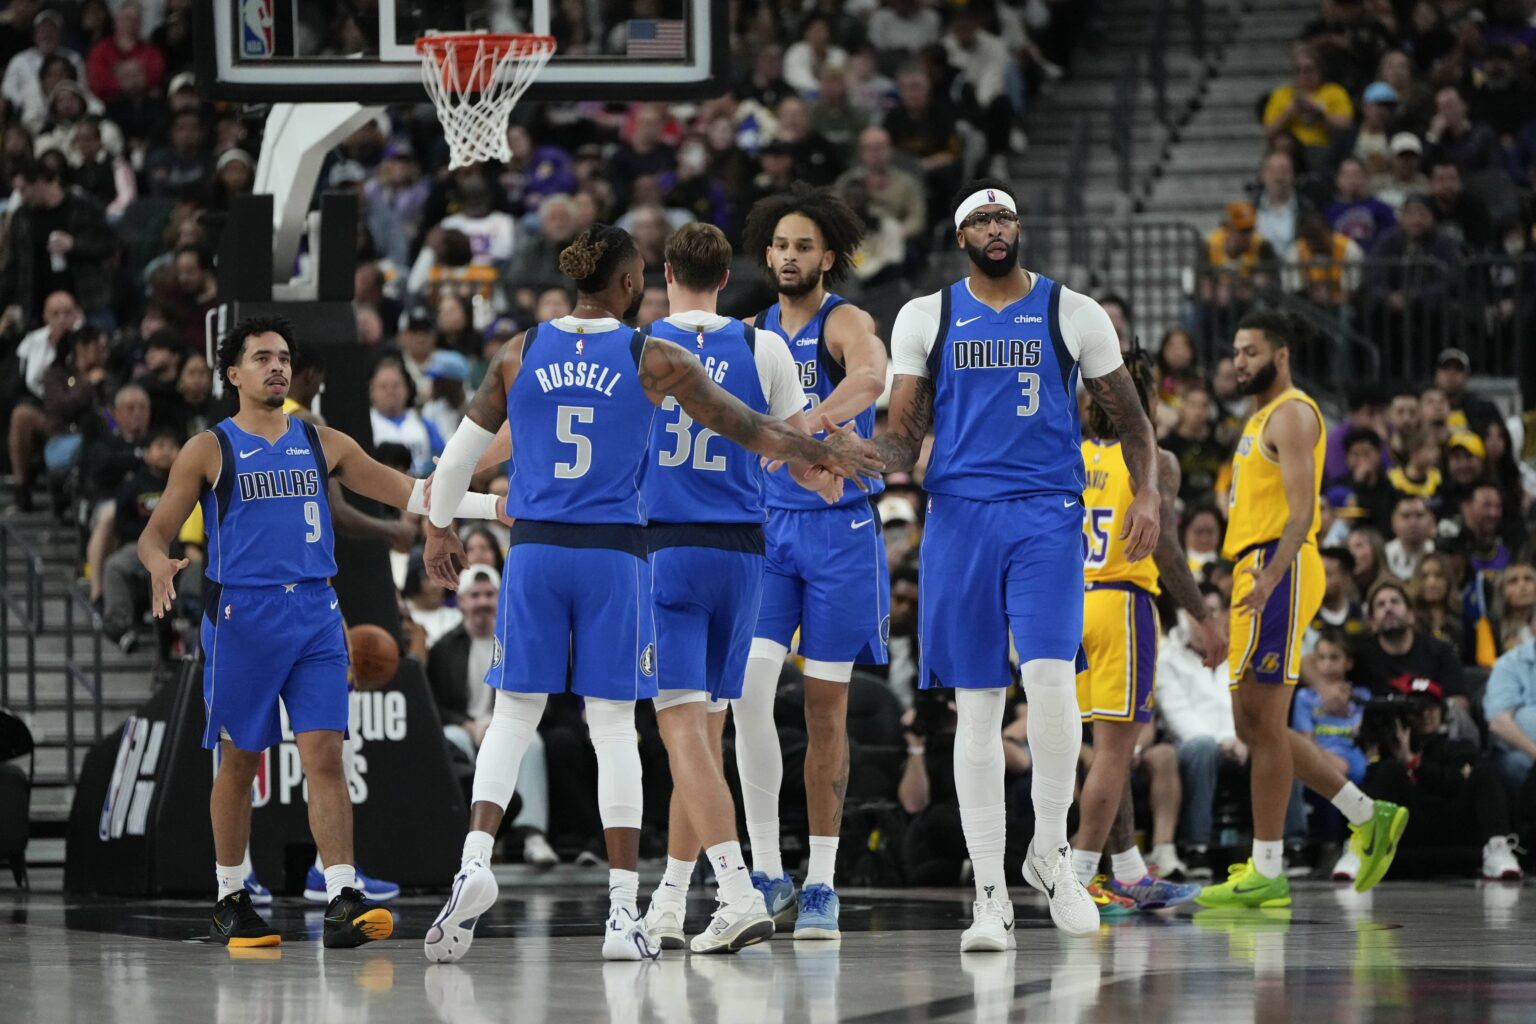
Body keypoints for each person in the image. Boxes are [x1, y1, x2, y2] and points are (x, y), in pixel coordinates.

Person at [418, 224, 880, 965]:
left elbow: (464, 457)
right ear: (638, 282)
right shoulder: (661, 356)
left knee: (525, 716)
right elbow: (754, 430)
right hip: (667, 556)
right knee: (635, 730)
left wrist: (439, 521)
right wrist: (825, 451)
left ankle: (479, 859)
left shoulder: (521, 349)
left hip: (575, 550)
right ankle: (636, 908)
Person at [135, 315, 508, 949]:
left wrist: (491, 506)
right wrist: (158, 565)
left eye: (283, 356)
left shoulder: (319, 441)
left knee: (327, 756)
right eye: (262, 358)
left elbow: (410, 492)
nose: (277, 366)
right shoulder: (209, 448)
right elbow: (153, 533)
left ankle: (342, 895)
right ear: (234, 373)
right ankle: (229, 896)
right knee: (240, 760)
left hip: (314, 615)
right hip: (242, 619)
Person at [875, 175, 1159, 948]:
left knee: (1050, 683)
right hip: (959, 517)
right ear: (961, 237)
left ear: (1019, 228)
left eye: (1006, 216)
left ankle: (1053, 855)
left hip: (1046, 513)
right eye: (982, 219)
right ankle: (990, 893)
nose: (997, 227)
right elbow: (901, 441)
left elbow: (1134, 422)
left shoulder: (1073, 310)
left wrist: (1151, 497)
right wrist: (841, 453)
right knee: (975, 704)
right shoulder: (924, 316)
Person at [638, 222, 816, 955]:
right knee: (703, 739)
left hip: (668, 547)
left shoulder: (639, 346)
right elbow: (800, 445)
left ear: (668, 271)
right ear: (726, 275)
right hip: (744, 553)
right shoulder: (763, 346)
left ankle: (738, 892)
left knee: (681, 733)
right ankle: (669, 902)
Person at [1195, 311, 1406, 911]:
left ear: (1280, 354)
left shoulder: (1292, 412)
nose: (1238, 361)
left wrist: (1271, 576)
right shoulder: (1258, 417)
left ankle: (1268, 867)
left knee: (1264, 722)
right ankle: (1368, 815)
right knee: (1251, 726)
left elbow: (1301, 512)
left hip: (1277, 569)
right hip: (1251, 570)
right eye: (1235, 351)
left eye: (1250, 351)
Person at [732, 187, 890, 940]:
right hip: (766, 534)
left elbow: (871, 380)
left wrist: (806, 428)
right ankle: (766, 870)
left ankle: (822, 881)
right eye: (781, 246)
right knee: (748, 692)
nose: (791, 257)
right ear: (766, 255)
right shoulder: (751, 331)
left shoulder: (844, 320)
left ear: (827, 257)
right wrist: (792, 442)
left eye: (805, 247)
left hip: (838, 533)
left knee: (826, 710)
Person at [1072, 349, 1225, 913]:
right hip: (1122, 601)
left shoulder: (1072, 454)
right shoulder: (1156, 461)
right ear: (1147, 401)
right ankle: (1080, 874)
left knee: (1103, 749)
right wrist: (1204, 616)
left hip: (1071, 607)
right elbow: (1165, 550)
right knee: (1118, 753)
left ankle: (1130, 872)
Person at [427, 564, 559, 868]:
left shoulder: (521, 641)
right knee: (452, 738)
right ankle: (475, 839)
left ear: (501, 599)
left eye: (489, 594)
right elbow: (435, 706)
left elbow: (541, 697)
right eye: (474, 595)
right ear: (461, 601)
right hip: (465, 730)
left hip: (511, 724)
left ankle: (532, 835)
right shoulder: (444, 649)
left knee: (534, 742)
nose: (482, 602)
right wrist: (468, 725)